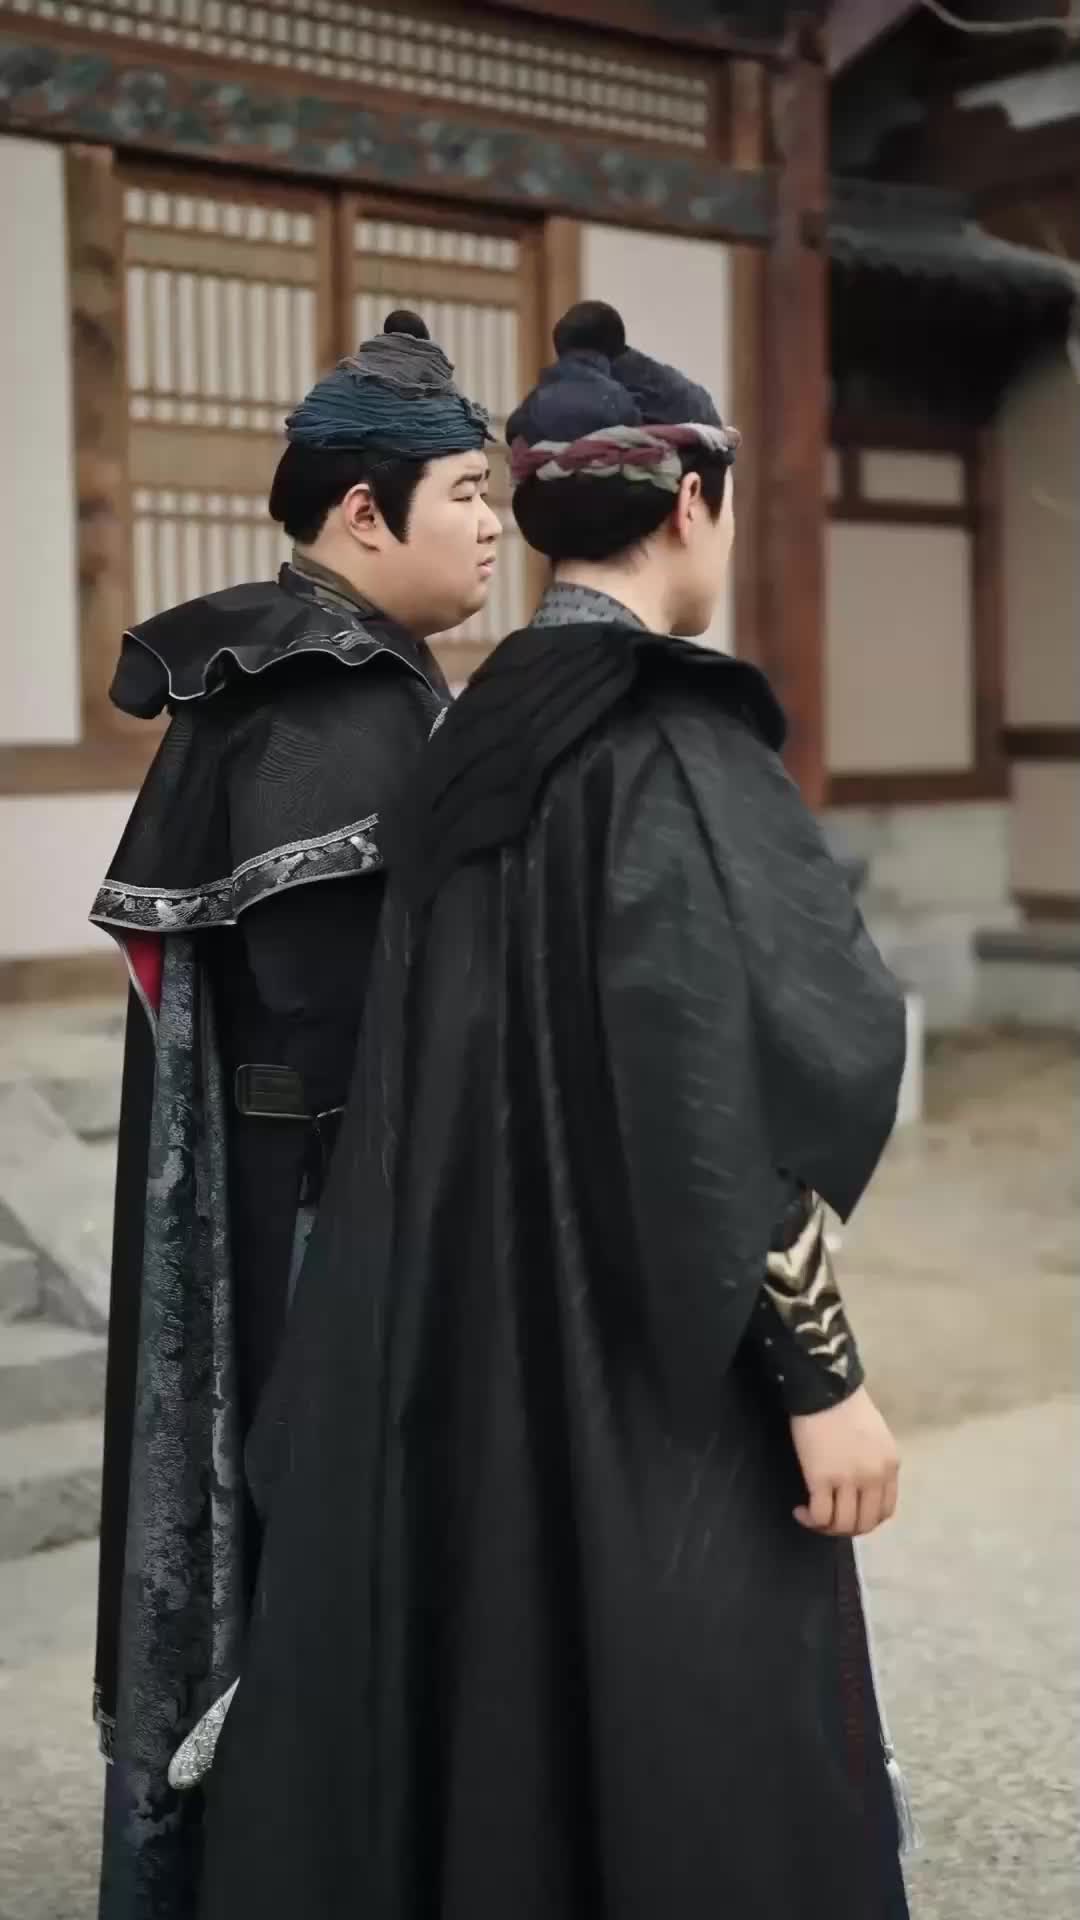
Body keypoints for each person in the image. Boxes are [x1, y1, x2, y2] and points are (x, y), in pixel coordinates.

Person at [197, 301, 913, 1920]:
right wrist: (821, 1374)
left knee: (506, 1718)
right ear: (693, 501)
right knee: (691, 1737)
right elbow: (728, 1079)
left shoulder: (465, 741)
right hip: (653, 1357)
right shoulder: (673, 741)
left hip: (472, 1338)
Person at [90, 310, 500, 1920]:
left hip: (297, 1196)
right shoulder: (327, 694)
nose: (493, 526)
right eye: (467, 493)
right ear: (362, 514)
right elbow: (351, 1021)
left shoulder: (327, 671)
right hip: (325, 1216)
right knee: (324, 1554)